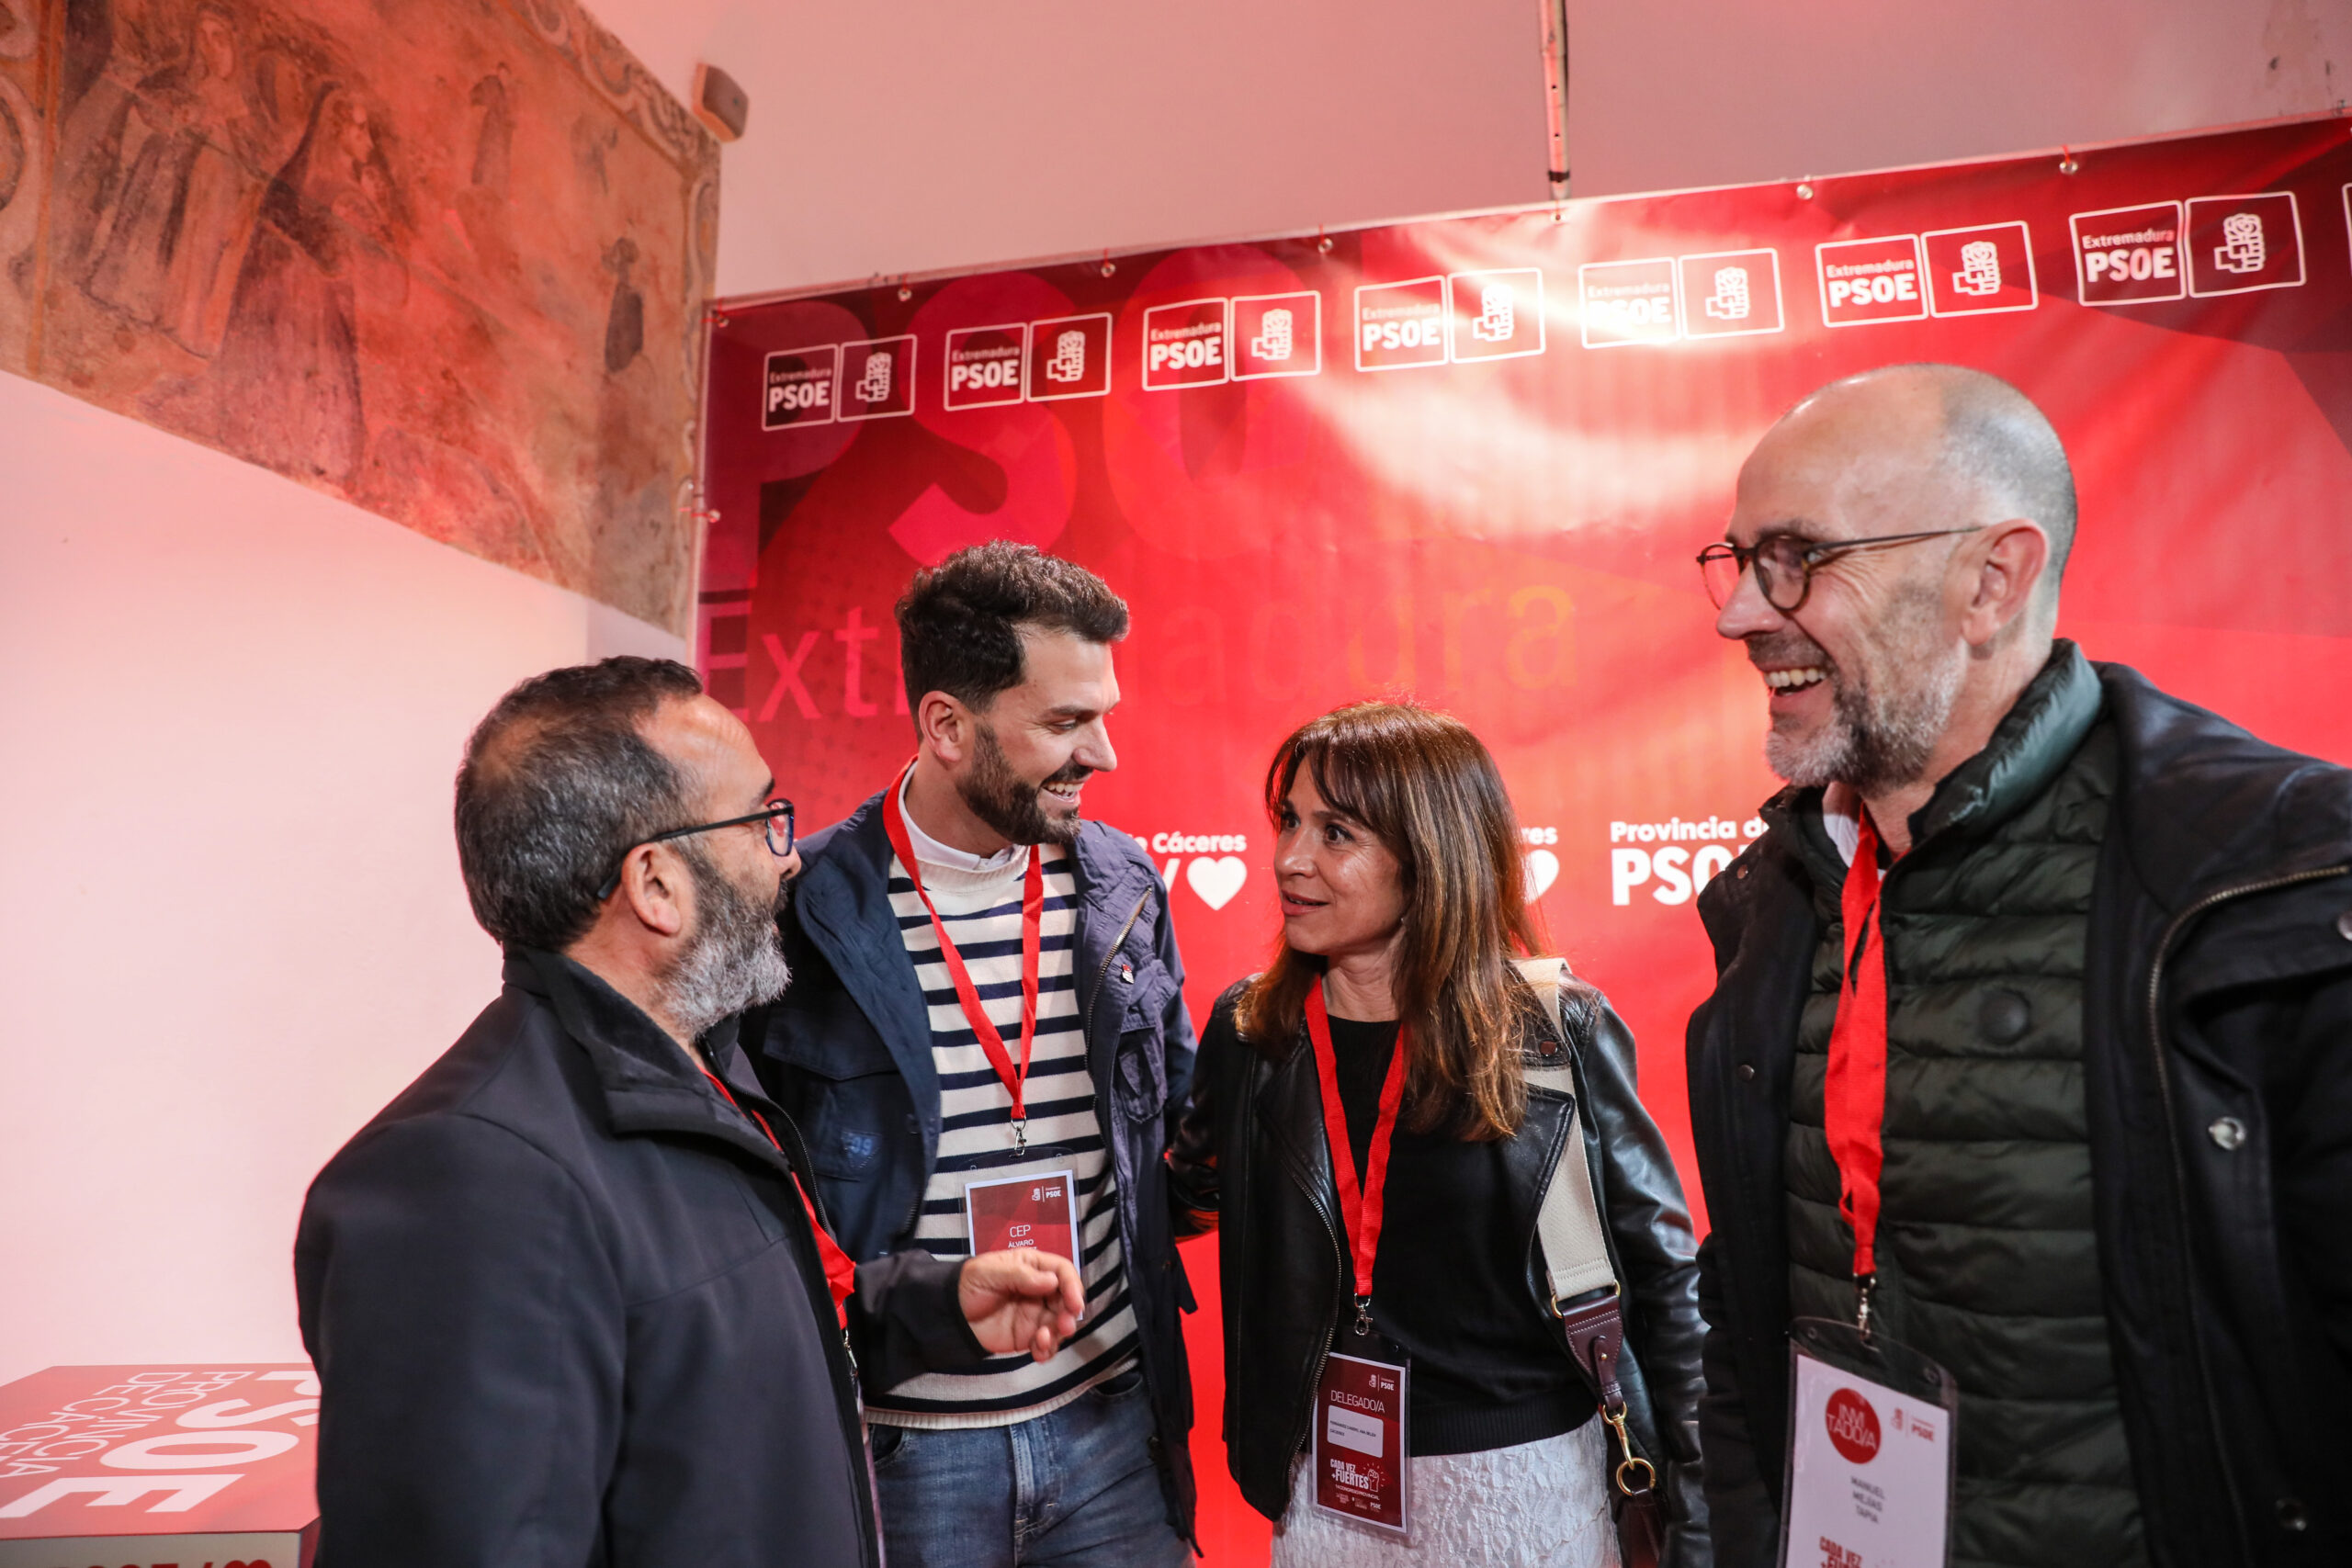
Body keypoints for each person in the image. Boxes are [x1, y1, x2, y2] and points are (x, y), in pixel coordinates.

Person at [1687, 364, 2352, 1568]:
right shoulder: (1771, 903)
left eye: (1796, 558)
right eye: (1736, 560)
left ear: (1991, 579)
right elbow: (1743, 1312)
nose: (1740, 613)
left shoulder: (2275, 881)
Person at [294, 658, 1087, 1568]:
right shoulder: (469, 1182)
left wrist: (933, 1306)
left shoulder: (702, 1070)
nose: (789, 855)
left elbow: (713, 1340)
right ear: (656, 885)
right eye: (760, 820)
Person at [1168, 701, 1708, 1566]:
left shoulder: (1554, 1029)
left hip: (1529, 1498)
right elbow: (1183, 1191)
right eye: (1288, 820)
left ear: (1429, 854)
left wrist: (1703, 1512)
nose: (1290, 858)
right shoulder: (1253, 1032)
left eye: (1336, 832)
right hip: (1325, 1498)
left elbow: (1666, 1278)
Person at [751, 546, 1199, 1566]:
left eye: (1103, 715)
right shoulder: (800, 912)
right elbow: (763, 1205)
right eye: (1065, 721)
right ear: (948, 726)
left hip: (1114, 1433)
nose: (1103, 753)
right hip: (906, 1452)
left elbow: (1172, 1135)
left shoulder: (1124, 886)